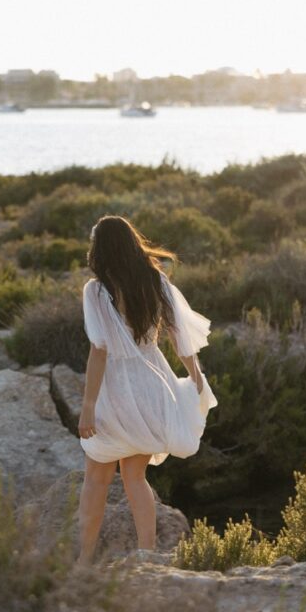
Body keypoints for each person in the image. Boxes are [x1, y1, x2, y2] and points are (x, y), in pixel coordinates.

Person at [77, 215, 218, 565]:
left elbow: (99, 350)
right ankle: (147, 555)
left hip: (115, 390)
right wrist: (195, 378)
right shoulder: (155, 280)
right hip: (153, 386)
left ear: (101, 249)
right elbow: (179, 338)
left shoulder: (96, 290)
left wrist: (88, 405)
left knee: (96, 478)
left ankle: (84, 559)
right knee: (135, 476)